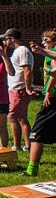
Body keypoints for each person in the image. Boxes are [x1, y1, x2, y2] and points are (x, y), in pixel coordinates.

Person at [26, 29, 56, 177]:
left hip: (52, 98)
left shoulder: (52, 53)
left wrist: (48, 92)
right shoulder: (49, 53)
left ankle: (31, 170)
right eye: (42, 39)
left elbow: (55, 73)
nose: (44, 42)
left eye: (46, 40)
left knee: (37, 133)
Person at [2, 28, 33, 152]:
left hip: (19, 89)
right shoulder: (17, 51)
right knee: (21, 117)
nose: (5, 41)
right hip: (15, 89)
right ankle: (28, 145)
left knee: (13, 117)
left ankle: (17, 145)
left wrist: (28, 88)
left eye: (6, 38)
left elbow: (27, 70)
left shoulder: (22, 51)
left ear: (12, 38)